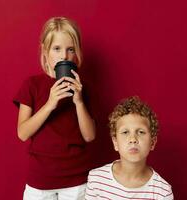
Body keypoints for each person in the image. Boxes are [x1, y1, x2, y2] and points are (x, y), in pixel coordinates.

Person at [13, 17, 96, 200]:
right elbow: (23, 133)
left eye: (70, 49)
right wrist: (50, 104)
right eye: (57, 49)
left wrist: (79, 102)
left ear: (77, 53)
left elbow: (90, 136)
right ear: (45, 50)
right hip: (41, 180)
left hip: (76, 179)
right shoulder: (32, 85)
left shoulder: (83, 88)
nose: (64, 56)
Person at [85, 96, 173, 199]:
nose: (133, 139)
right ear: (115, 143)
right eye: (125, 132)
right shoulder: (96, 179)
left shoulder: (162, 192)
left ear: (152, 143)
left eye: (141, 132)